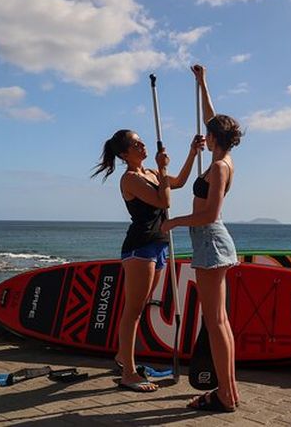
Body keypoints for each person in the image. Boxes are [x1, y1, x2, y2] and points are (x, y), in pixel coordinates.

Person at [91, 129, 202, 392]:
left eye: (142, 142)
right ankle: (128, 373)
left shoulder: (151, 172)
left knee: (139, 308)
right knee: (133, 310)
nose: (143, 146)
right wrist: (163, 170)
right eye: (136, 144)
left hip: (158, 246)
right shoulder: (129, 179)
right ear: (124, 154)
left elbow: (180, 183)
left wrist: (191, 152)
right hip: (140, 248)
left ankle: (122, 356)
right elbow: (164, 200)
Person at [161, 64, 242, 412]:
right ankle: (230, 390)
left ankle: (224, 394)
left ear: (213, 139)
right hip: (210, 241)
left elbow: (210, 213)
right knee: (219, 321)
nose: (204, 136)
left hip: (209, 239)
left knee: (216, 321)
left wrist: (174, 222)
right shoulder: (221, 156)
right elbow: (213, 117)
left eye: (208, 134)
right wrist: (203, 83)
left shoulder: (221, 167)